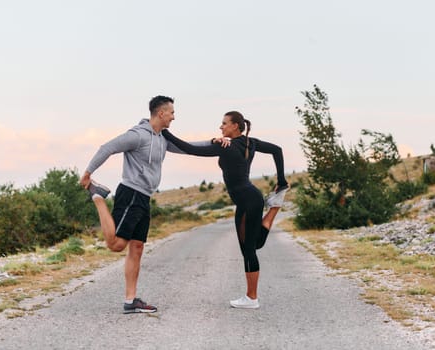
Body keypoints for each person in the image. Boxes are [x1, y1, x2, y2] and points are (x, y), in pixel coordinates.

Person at [80, 95, 213, 314]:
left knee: (137, 247)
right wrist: (87, 174)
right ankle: (98, 197)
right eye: (171, 112)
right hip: (131, 193)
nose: (173, 116)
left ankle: (131, 300)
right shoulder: (138, 135)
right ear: (161, 113)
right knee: (116, 245)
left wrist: (213, 142)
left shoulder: (162, 138)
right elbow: (108, 147)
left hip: (144, 197)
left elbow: (188, 147)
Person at [162, 111, 289, 309]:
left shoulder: (225, 147)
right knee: (254, 244)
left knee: (249, 250)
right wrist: (281, 180)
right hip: (250, 199)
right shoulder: (250, 142)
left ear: (235, 126)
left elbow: (189, 149)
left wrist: (165, 133)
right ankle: (274, 207)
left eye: (224, 124)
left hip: (247, 201)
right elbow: (277, 150)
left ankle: (251, 298)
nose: (221, 127)